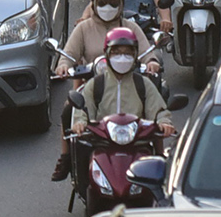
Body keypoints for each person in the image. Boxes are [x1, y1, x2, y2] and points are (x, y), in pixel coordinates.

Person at [51, 26, 174, 183]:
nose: (122, 58)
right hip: (102, 143)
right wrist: (80, 124)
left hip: (137, 142)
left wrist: (164, 122)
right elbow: (82, 109)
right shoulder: (96, 84)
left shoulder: (143, 84)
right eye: (116, 53)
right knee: (82, 156)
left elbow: (159, 109)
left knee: (159, 175)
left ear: (135, 54)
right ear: (107, 54)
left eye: (128, 53)